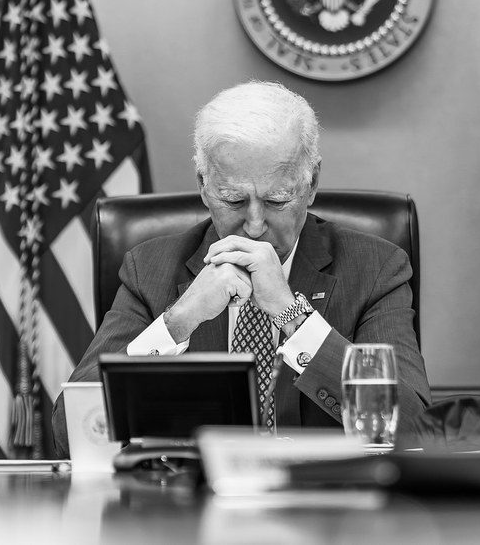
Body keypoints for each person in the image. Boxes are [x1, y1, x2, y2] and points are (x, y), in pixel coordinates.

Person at [51, 81, 431, 458]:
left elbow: (413, 430)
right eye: (233, 200)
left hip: (324, 494)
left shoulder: (375, 269)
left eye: (276, 200)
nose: (254, 224)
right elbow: (71, 434)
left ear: (312, 183)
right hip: (193, 495)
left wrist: (293, 316)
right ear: (203, 186)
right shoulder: (149, 270)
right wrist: (178, 322)